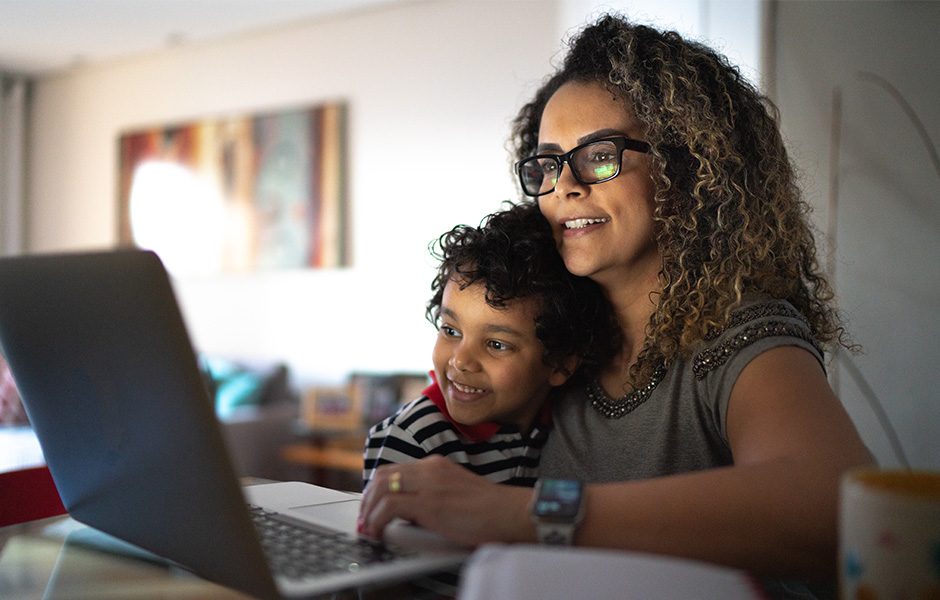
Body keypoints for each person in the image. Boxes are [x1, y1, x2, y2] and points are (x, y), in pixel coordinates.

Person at [358, 13, 873, 595]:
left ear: (685, 168)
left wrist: (524, 515)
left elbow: (835, 502)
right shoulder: (559, 338)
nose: (565, 187)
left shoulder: (741, 335)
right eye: (548, 164)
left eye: (599, 155)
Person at [362, 202, 615, 489]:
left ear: (561, 363)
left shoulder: (565, 424)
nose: (461, 361)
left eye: (496, 344)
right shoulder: (413, 439)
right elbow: (385, 531)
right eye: (450, 330)